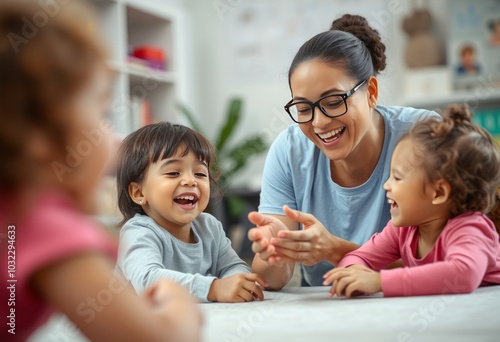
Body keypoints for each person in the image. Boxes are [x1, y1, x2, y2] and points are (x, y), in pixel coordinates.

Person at [0, 1, 201, 341]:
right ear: (38, 135)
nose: (114, 137)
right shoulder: (41, 226)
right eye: (102, 114)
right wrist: (179, 304)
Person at [247, 14, 439, 289]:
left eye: (334, 101)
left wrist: (334, 250)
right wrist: (278, 250)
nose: (318, 122)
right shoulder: (288, 151)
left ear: (371, 91)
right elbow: (270, 280)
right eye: (303, 109)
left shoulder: (423, 134)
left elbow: (446, 262)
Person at [323, 104, 500, 297]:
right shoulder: (402, 231)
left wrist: (379, 281)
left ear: (438, 192)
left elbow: (463, 274)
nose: (386, 185)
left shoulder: (470, 229)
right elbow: (359, 257)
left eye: (397, 177)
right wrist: (352, 274)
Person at [115, 122, 268, 303]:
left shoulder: (209, 226)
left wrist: (238, 283)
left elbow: (233, 266)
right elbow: (149, 281)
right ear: (139, 193)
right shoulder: (138, 232)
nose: (190, 180)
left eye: (200, 174)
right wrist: (213, 288)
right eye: (173, 172)